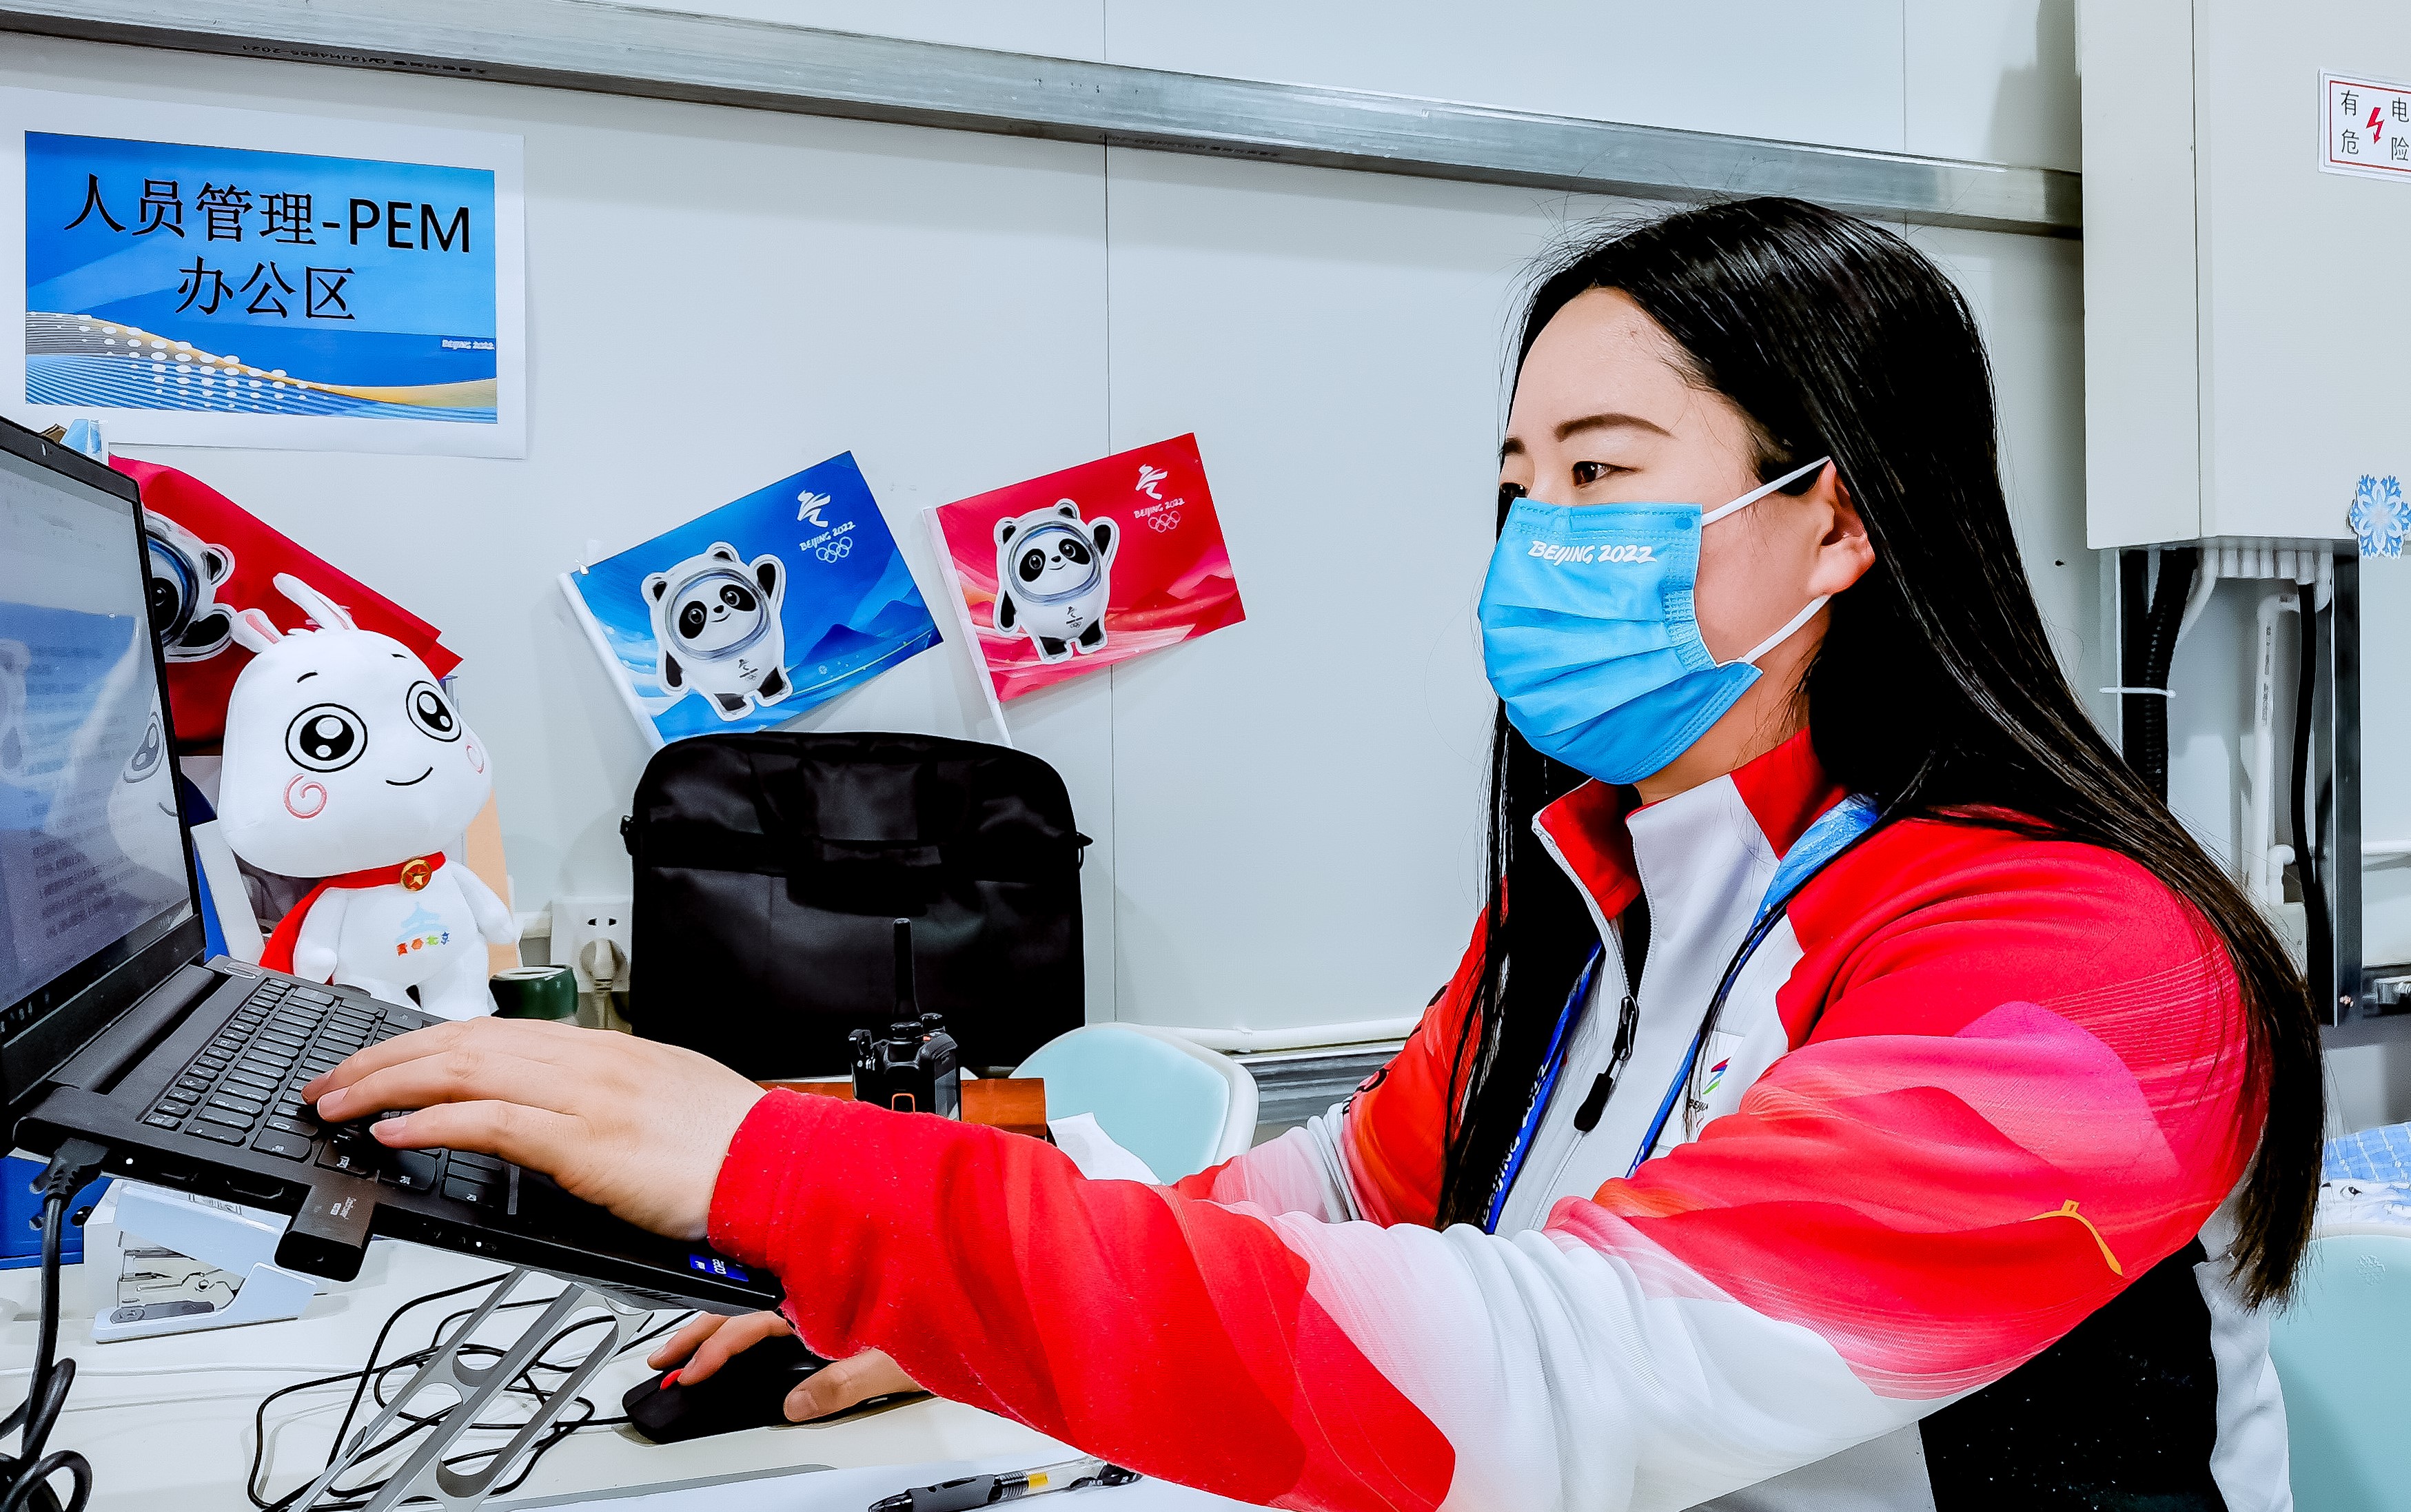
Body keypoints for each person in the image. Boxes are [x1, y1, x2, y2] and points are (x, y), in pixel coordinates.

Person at [305, 198, 2321, 1512]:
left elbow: (1560, 1375)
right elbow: (1343, 1191)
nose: (1541, 543)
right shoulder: (1596, 891)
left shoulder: (2077, 971)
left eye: (1604, 477)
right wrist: (945, 1304)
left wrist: (791, 1167)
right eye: (1520, 486)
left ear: (1842, 519)